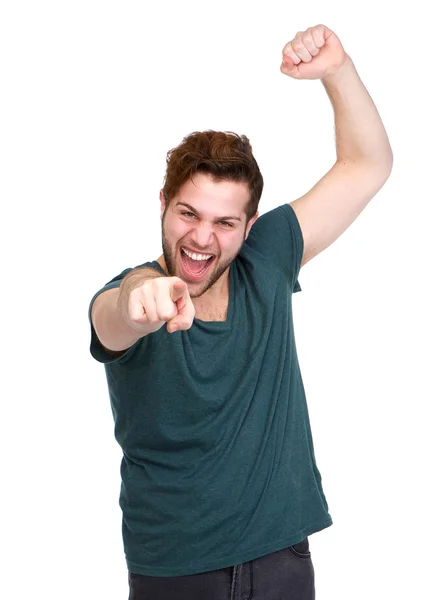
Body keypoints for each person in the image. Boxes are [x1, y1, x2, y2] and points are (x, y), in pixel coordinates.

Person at [88, 24, 392, 600]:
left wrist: (338, 70)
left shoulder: (268, 257)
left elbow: (366, 165)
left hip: (281, 555)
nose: (202, 237)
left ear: (249, 227)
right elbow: (113, 317)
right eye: (187, 213)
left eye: (225, 223)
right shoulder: (137, 290)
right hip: (174, 570)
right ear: (163, 203)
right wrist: (139, 303)